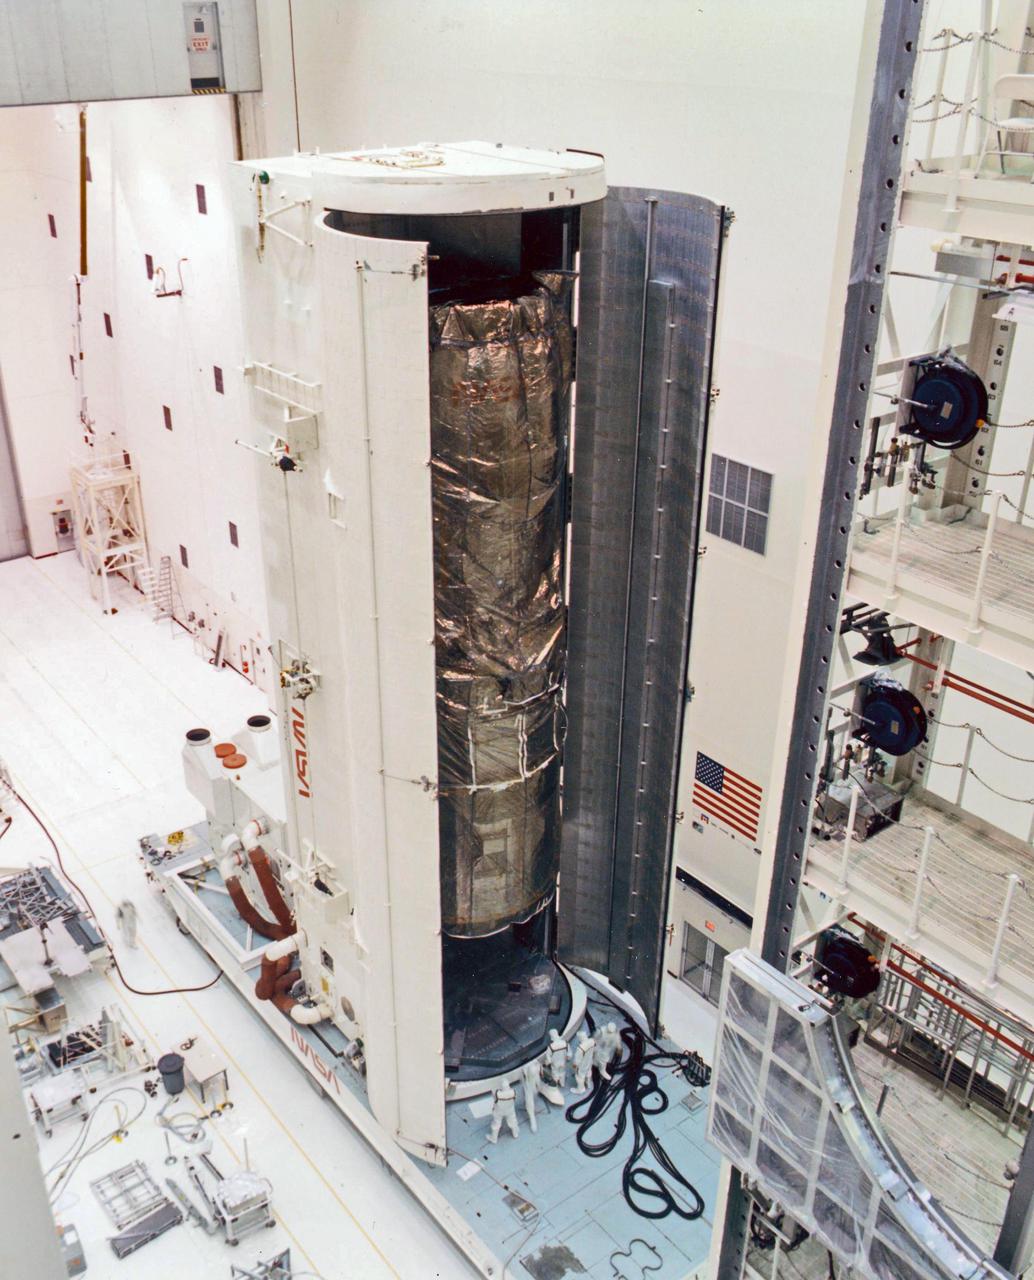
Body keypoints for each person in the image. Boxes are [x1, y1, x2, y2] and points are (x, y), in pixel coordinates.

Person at [487, 1078, 519, 1144]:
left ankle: (494, 1138)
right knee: (513, 1121)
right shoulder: (513, 1092)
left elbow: (495, 1099)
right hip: (509, 1110)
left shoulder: (498, 1093)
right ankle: (515, 1134)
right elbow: (515, 1098)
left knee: (496, 1124)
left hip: (499, 1111)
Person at [572, 1029, 596, 1095]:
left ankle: (580, 1089)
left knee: (579, 1076)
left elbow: (577, 1060)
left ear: (580, 1038)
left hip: (582, 1065)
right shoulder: (592, 1041)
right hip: (590, 1061)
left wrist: (574, 1066)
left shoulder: (580, 1048)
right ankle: (588, 1083)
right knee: (588, 1071)